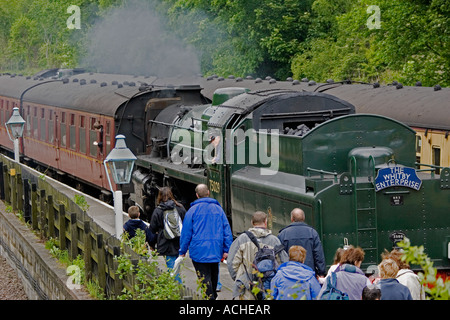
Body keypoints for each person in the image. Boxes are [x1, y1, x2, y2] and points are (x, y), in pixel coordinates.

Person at [179, 184, 233, 300]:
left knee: (204, 277)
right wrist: (226, 250)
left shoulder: (192, 211)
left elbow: (186, 233)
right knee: (214, 275)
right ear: (208, 193)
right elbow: (226, 231)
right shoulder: (219, 210)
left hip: (199, 251)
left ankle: (210, 297)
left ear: (197, 195)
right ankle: (213, 295)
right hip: (215, 249)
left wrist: (182, 250)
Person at [227, 211, 289, 300]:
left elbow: (231, 262)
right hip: (268, 286)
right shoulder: (274, 241)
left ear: (252, 222)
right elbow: (284, 263)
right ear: (266, 222)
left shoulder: (242, 239)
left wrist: (240, 278)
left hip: (247, 285)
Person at [150, 187, 186, 283]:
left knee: (171, 268)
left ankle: (178, 290)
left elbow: (152, 229)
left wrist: (152, 245)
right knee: (177, 267)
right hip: (179, 242)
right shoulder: (180, 208)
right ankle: (178, 287)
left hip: (165, 242)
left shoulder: (158, 210)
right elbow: (186, 225)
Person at [277, 208, 326, 277]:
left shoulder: (283, 234)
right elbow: (318, 254)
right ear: (303, 218)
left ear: (291, 219)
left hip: (289, 274)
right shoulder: (312, 233)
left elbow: (279, 256)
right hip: (308, 273)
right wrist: (321, 272)